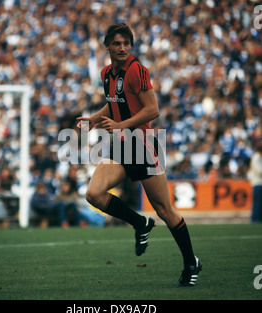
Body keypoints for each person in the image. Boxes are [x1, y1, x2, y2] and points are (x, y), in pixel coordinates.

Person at [77, 23, 201, 287]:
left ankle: (192, 262)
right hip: (121, 146)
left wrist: (121, 125)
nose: (122, 48)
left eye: (126, 43)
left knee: (165, 210)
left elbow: (152, 110)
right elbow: (113, 106)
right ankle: (140, 223)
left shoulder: (137, 71)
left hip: (143, 146)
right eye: (117, 43)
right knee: (93, 194)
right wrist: (93, 119)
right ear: (107, 46)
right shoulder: (106, 74)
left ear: (130, 46)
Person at [249, 140, 262, 223]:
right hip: (258, 183)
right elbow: (259, 170)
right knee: (258, 203)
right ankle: (255, 219)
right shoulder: (256, 158)